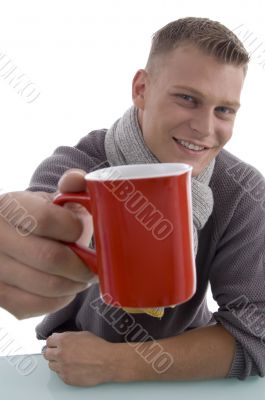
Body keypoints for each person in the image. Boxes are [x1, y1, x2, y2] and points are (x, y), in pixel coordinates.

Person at [1, 17, 265, 385]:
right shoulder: (79, 170)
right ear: (141, 89)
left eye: (224, 110)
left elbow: (258, 330)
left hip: (189, 378)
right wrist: (28, 246)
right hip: (66, 364)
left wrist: (119, 364)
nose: (205, 128)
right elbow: (36, 215)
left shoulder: (242, 191)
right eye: (188, 98)